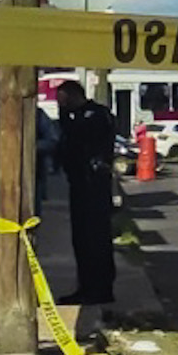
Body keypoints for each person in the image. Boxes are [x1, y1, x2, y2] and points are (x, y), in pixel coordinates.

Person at [51, 82, 118, 313]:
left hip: (94, 185)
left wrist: (65, 116)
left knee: (95, 237)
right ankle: (86, 285)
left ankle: (100, 287)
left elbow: (81, 137)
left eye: (62, 99)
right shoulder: (74, 117)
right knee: (81, 238)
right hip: (78, 183)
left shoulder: (96, 115)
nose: (60, 104)